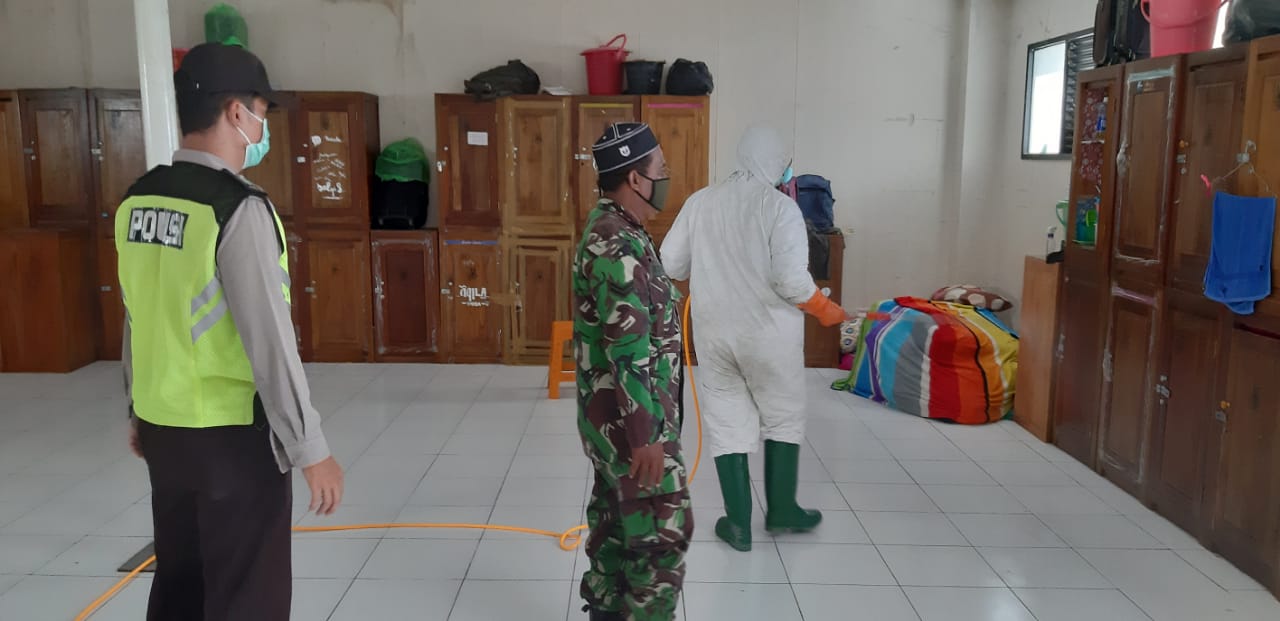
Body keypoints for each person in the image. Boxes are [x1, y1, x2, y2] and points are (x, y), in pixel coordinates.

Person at [116, 43, 344, 620]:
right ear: (237, 113)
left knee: (181, 585)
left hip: (164, 431)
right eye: (262, 113)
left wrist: (139, 410)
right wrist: (311, 448)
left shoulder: (139, 198)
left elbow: (138, 315)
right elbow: (269, 342)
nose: (262, 129)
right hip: (231, 440)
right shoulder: (236, 209)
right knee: (246, 597)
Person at [660, 124, 848, 552]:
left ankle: (738, 525)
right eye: (784, 164)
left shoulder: (700, 202)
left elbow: (671, 262)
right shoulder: (780, 209)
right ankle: (782, 510)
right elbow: (791, 282)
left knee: (727, 423)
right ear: (775, 162)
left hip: (714, 336)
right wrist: (826, 309)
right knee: (782, 418)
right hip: (769, 338)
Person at [574, 123, 694, 621]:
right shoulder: (616, 243)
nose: (666, 176)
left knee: (615, 528)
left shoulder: (622, 230)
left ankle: (607, 612)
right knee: (663, 537)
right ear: (635, 178)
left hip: (613, 420)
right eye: (660, 169)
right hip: (633, 428)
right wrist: (646, 436)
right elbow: (629, 350)